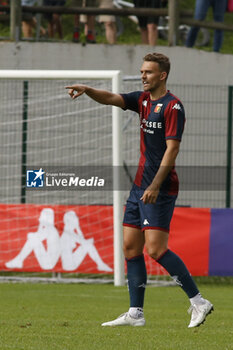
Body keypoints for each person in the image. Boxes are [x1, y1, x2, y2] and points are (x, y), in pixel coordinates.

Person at [65, 52, 214, 328]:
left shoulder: (173, 107)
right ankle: (135, 312)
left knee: (156, 250)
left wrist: (156, 185)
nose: (143, 75)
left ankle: (198, 302)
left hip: (160, 187)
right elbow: (111, 98)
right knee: (130, 247)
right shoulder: (143, 100)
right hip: (139, 187)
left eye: (148, 72)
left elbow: (173, 150)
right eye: (142, 71)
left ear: (162, 75)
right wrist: (87, 90)